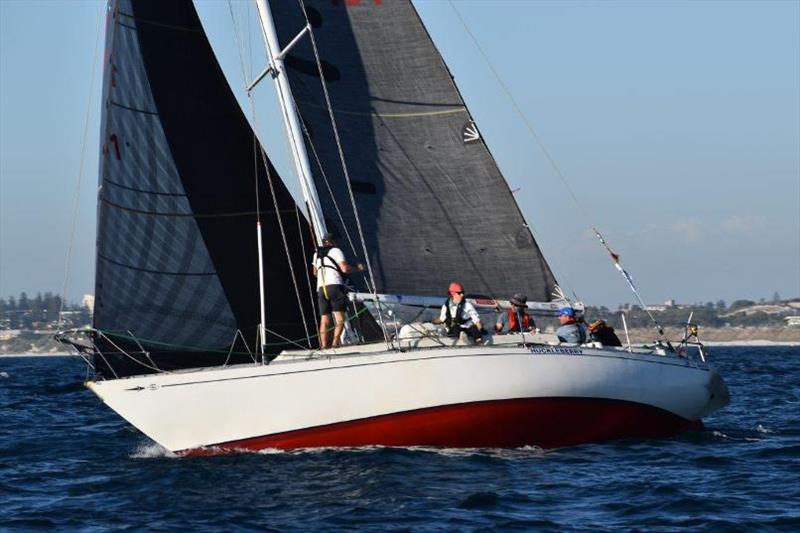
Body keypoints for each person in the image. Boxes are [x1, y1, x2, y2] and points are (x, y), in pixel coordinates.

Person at [311, 233, 364, 349]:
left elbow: (315, 273)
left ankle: (324, 346)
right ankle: (335, 342)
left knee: (324, 319)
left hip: (321, 288)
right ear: (333, 241)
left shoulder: (316, 254)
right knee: (340, 317)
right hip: (334, 286)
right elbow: (345, 269)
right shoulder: (336, 251)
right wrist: (358, 269)